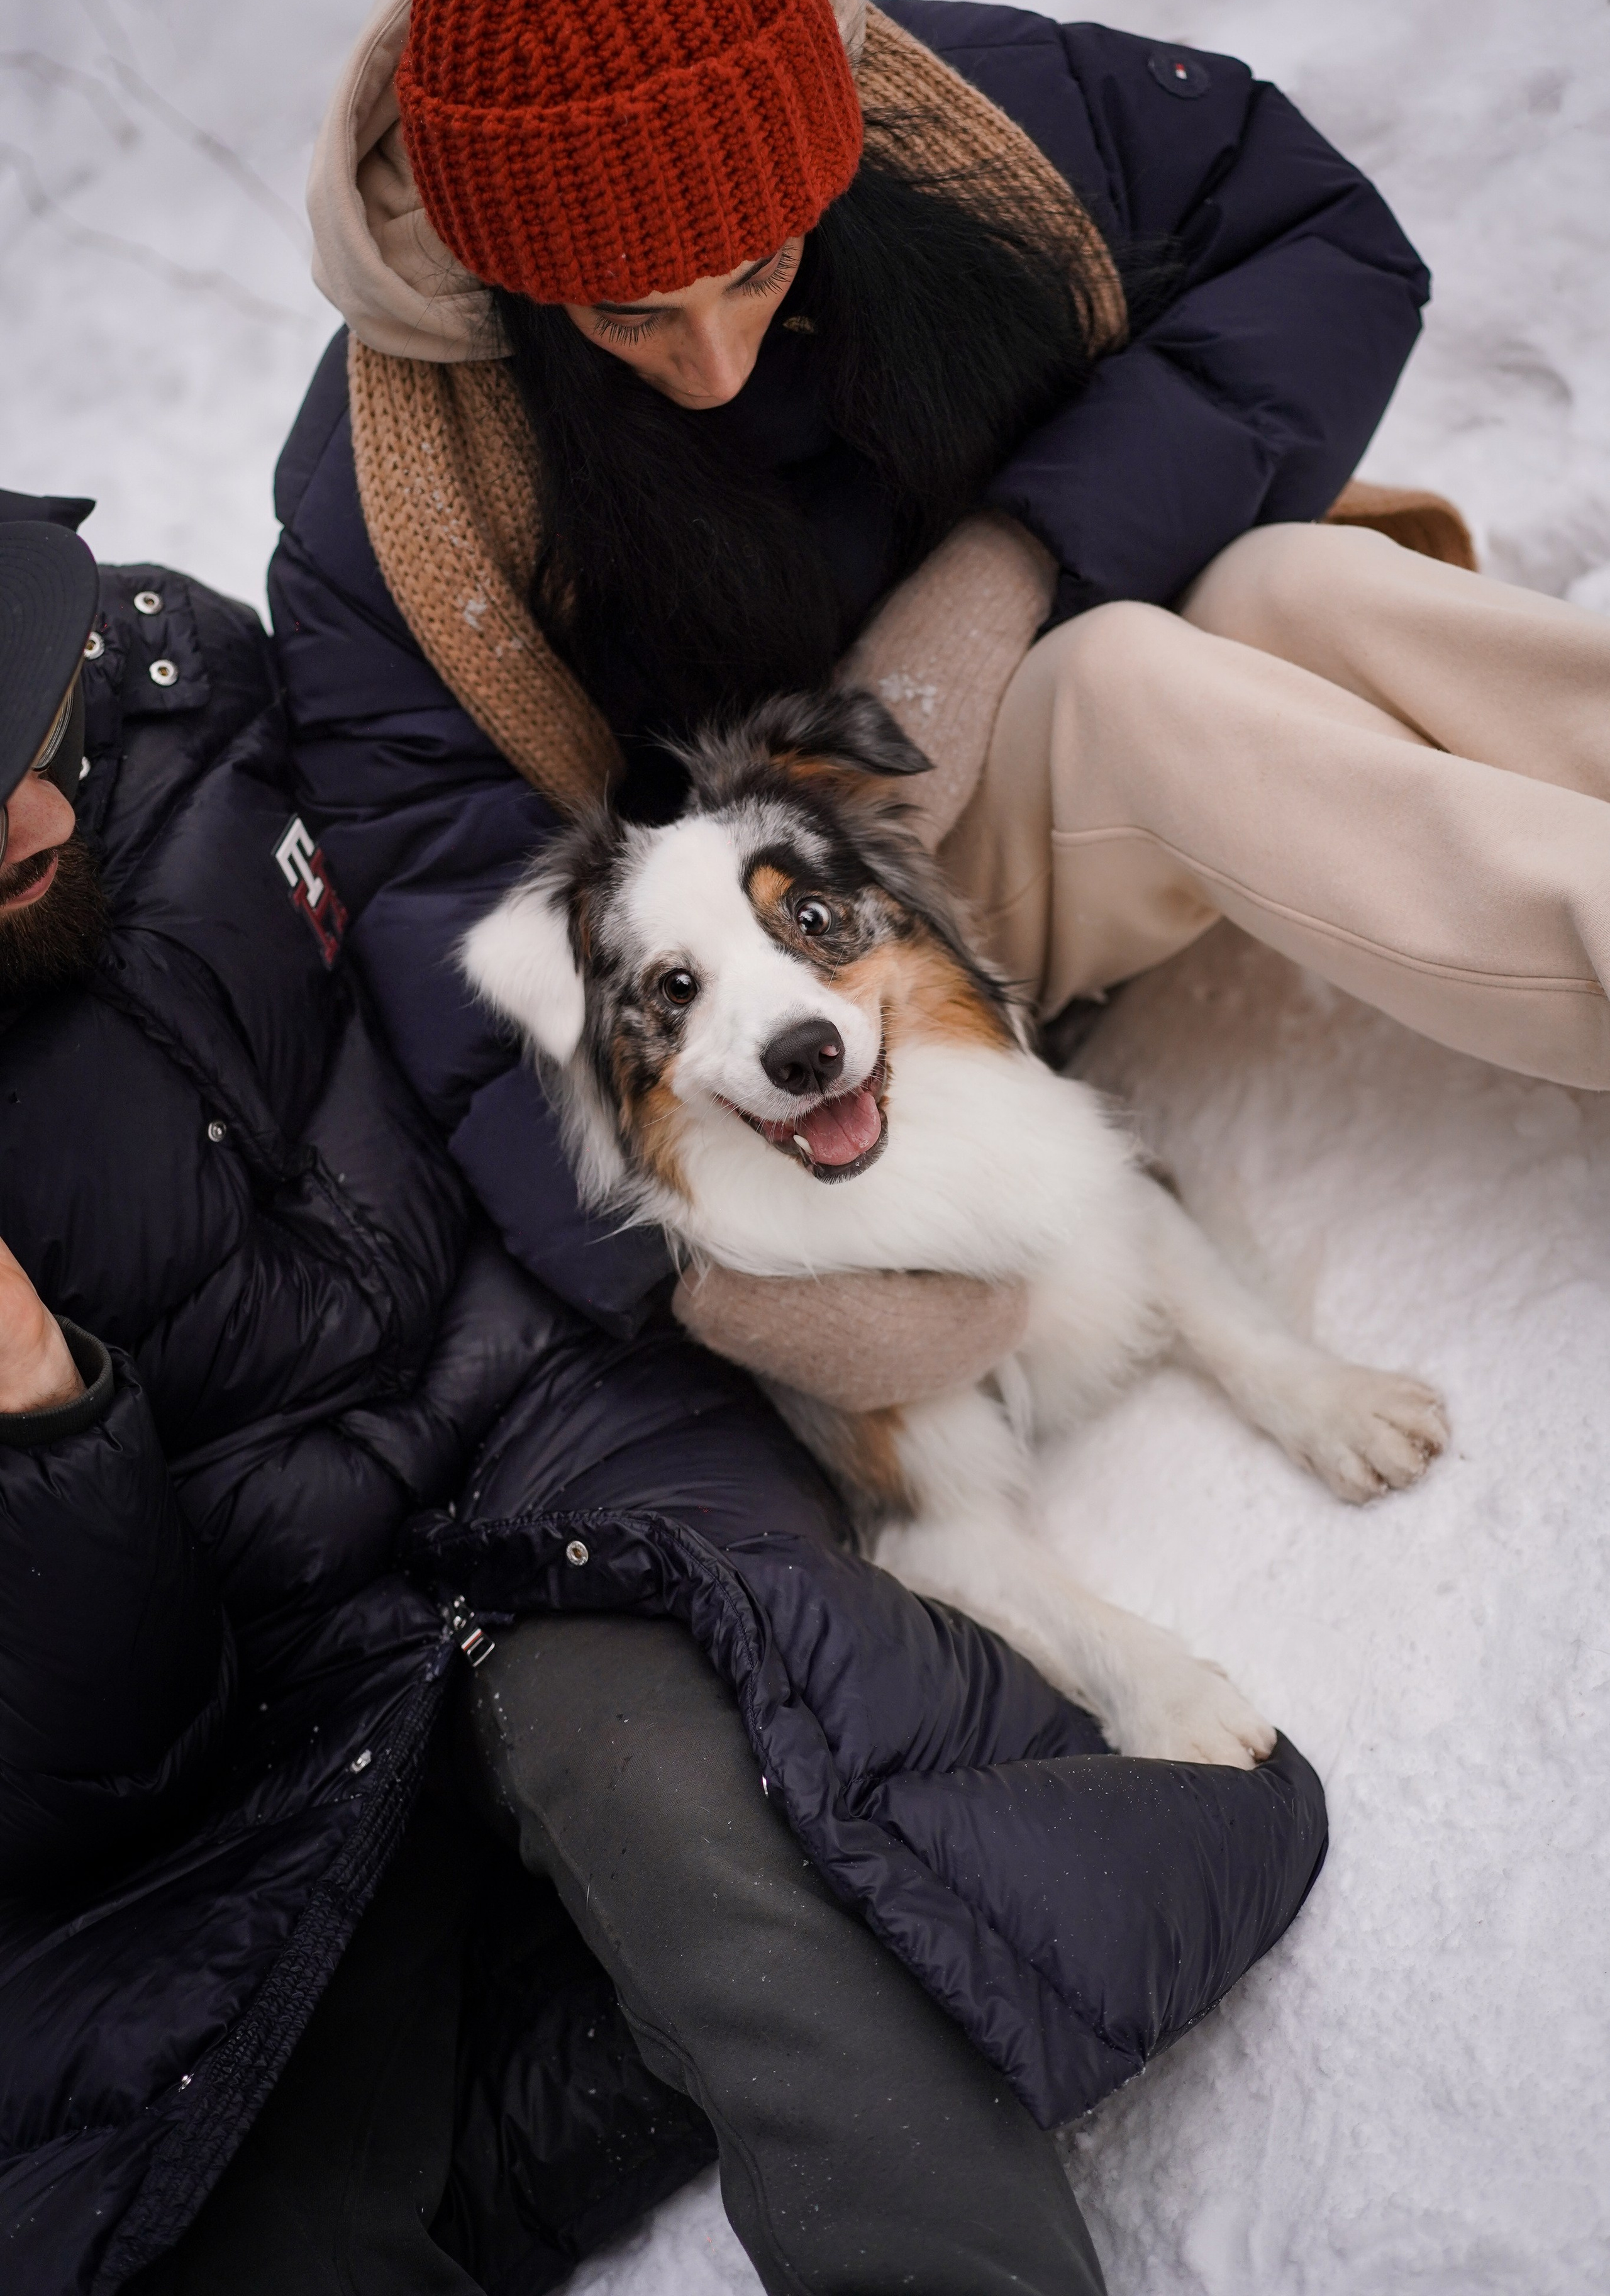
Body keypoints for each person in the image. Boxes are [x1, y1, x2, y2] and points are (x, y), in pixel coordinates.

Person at [0, 494, 1323, 2294]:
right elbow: (83, 1762)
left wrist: (674, 1275)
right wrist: (40, 1425)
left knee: (729, 1868)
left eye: (26, 722)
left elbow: (502, 902)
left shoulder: (190, 677)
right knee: (230, 2193)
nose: (33, 809)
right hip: (283, 1661)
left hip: (574, 1434)